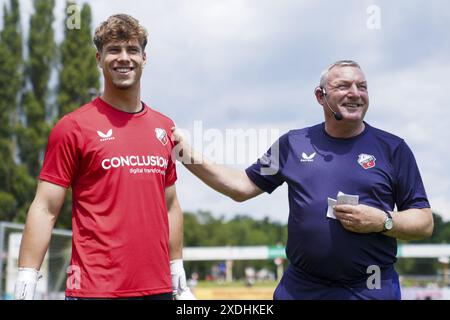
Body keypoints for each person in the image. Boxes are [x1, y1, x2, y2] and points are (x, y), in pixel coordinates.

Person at [172, 60, 433, 300]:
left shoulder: (393, 148)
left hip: (372, 288)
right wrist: (184, 152)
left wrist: (382, 221)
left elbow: (424, 222)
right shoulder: (292, 144)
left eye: (362, 86)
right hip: (302, 289)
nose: (355, 92)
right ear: (321, 96)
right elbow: (241, 187)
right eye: (343, 86)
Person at [14, 14, 195, 300]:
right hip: (95, 291)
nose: (124, 58)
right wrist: (25, 280)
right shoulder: (73, 127)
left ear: (144, 58)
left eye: (132, 49)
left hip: (158, 289)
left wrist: (177, 272)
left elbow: (171, 205)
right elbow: (45, 208)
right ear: (99, 58)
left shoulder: (164, 128)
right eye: (114, 50)